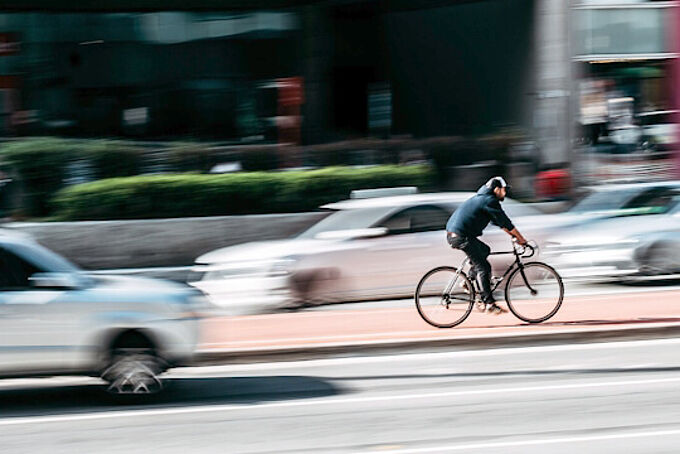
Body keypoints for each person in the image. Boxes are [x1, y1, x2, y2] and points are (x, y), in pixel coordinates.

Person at [445, 176, 528, 314]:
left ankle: (469, 281)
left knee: (484, 250)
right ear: (496, 189)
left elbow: (501, 224)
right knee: (484, 267)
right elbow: (506, 222)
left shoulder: (482, 199)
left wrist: (514, 236)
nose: (505, 193)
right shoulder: (489, 200)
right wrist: (521, 239)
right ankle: (489, 303)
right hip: (461, 236)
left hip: (457, 235)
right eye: (504, 190)